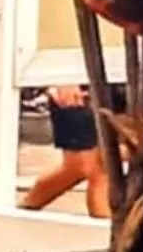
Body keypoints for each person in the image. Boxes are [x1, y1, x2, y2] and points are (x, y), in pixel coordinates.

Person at [21, 84, 111, 219]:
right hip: (78, 84)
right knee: (92, 167)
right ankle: (105, 232)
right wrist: (61, 80)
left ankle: (24, 210)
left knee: (87, 167)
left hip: (119, 81)